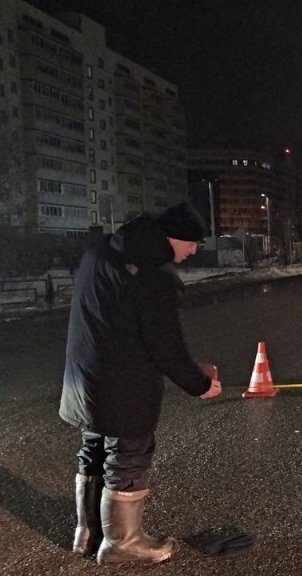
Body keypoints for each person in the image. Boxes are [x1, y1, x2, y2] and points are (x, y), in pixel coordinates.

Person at [60, 202, 223, 565]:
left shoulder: (100, 251)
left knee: (94, 450)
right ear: (170, 238)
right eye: (191, 243)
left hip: (83, 376)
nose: (195, 250)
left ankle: (88, 534)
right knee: (128, 458)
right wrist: (199, 384)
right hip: (124, 386)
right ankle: (123, 542)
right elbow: (165, 346)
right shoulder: (153, 277)